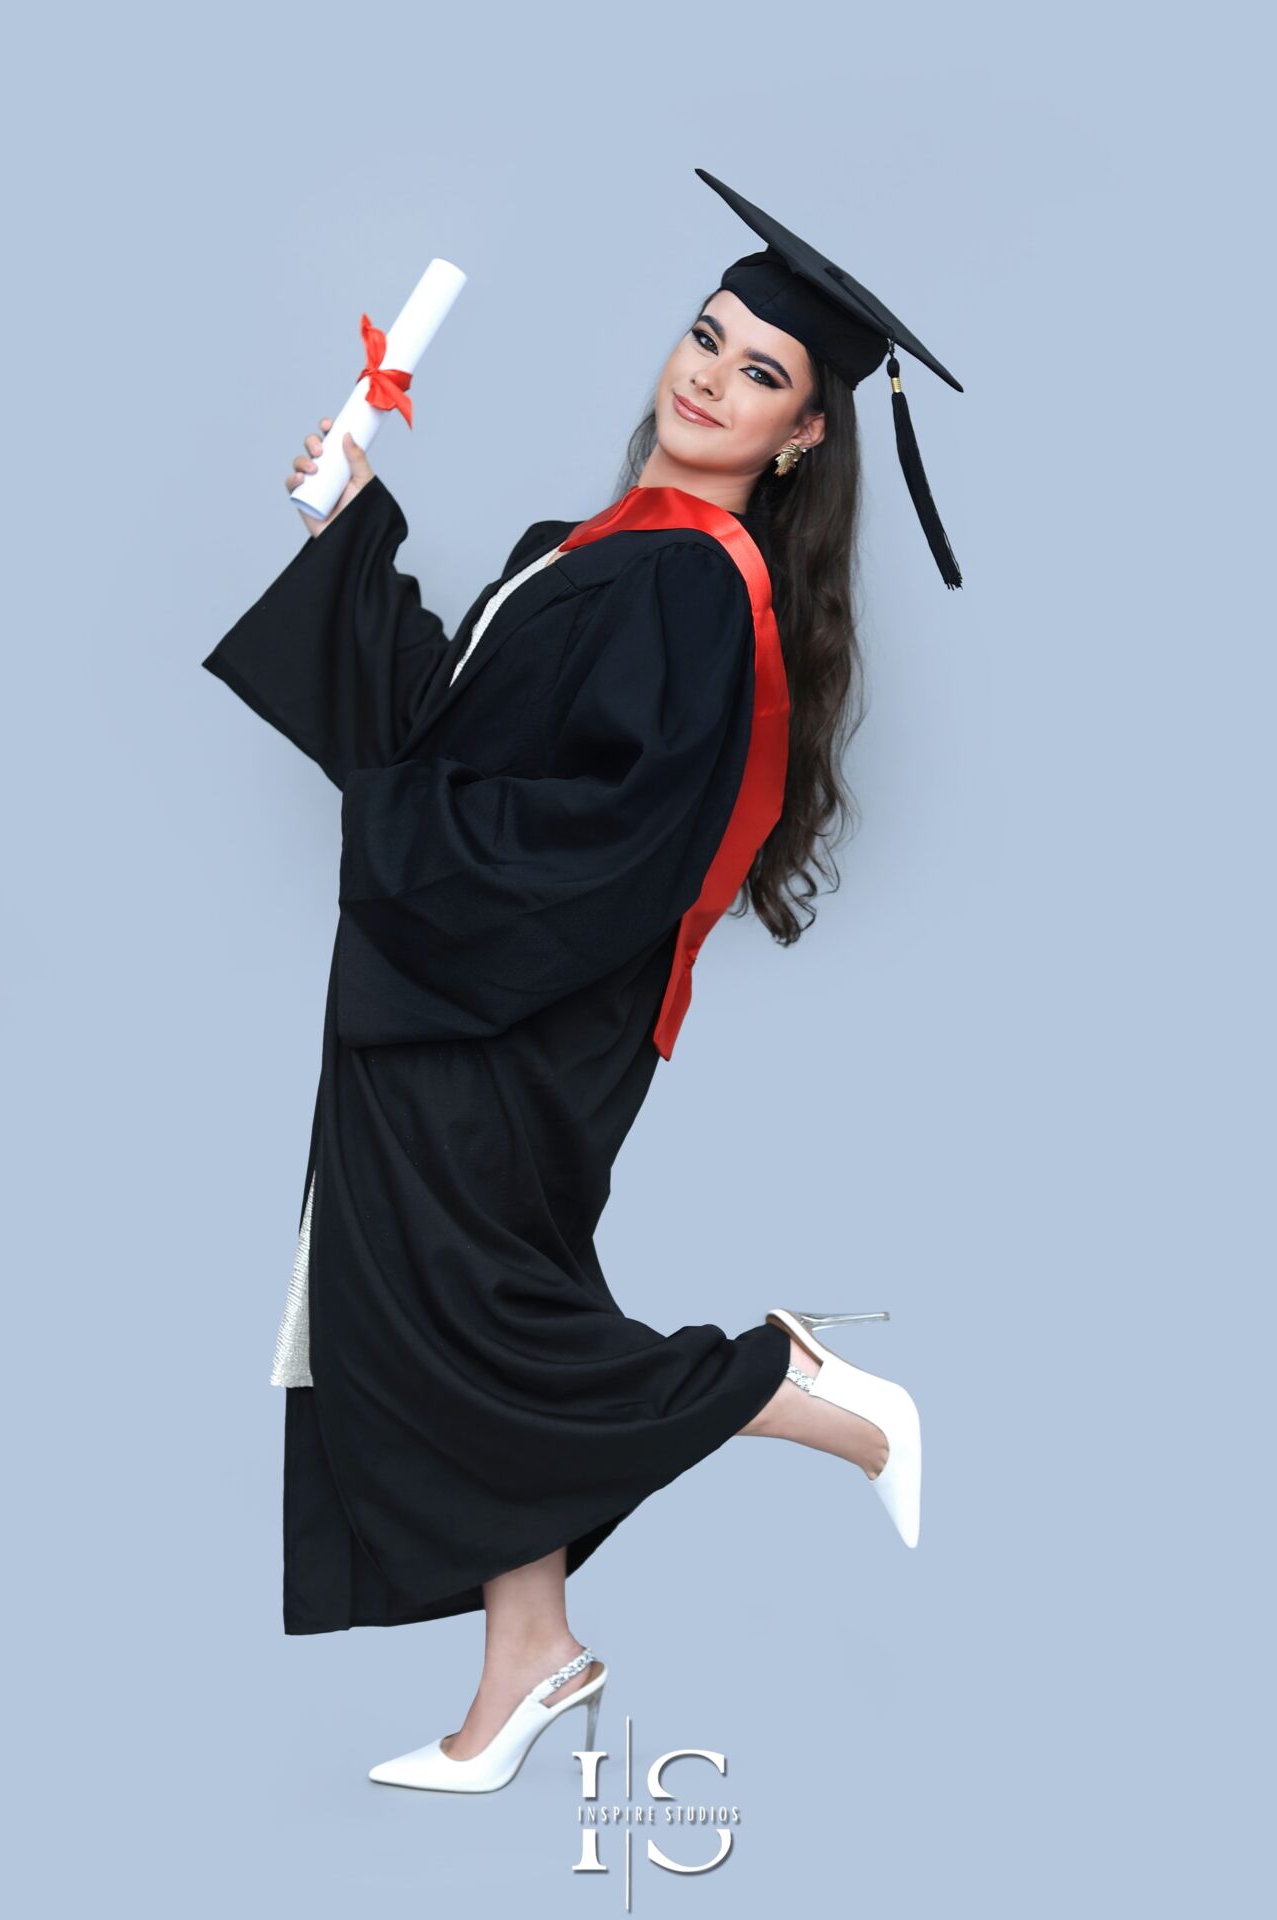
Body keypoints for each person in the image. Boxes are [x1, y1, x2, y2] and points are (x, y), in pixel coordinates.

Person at [201, 168, 961, 1794]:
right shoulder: (603, 546)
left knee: (465, 1322)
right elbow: (441, 732)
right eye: (706, 337)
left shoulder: (698, 584)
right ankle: (528, 1659)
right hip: (457, 991)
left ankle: (799, 1386)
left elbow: (597, 841)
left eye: (760, 371)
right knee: (438, 1309)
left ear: (806, 434)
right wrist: (350, 529)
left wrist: (415, 855)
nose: (708, 376)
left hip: (498, 1011)